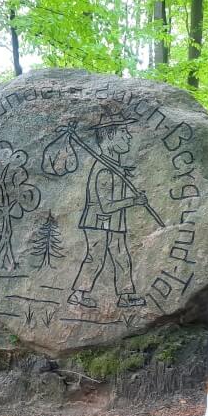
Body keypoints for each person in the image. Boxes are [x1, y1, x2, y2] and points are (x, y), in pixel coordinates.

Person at [68, 110, 148, 309]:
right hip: (98, 221)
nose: (129, 136)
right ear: (110, 136)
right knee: (96, 257)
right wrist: (134, 201)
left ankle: (125, 296)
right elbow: (106, 205)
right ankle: (78, 294)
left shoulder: (114, 166)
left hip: (114, 221)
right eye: (124, 132)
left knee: (121, 256)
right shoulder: (104, 169)